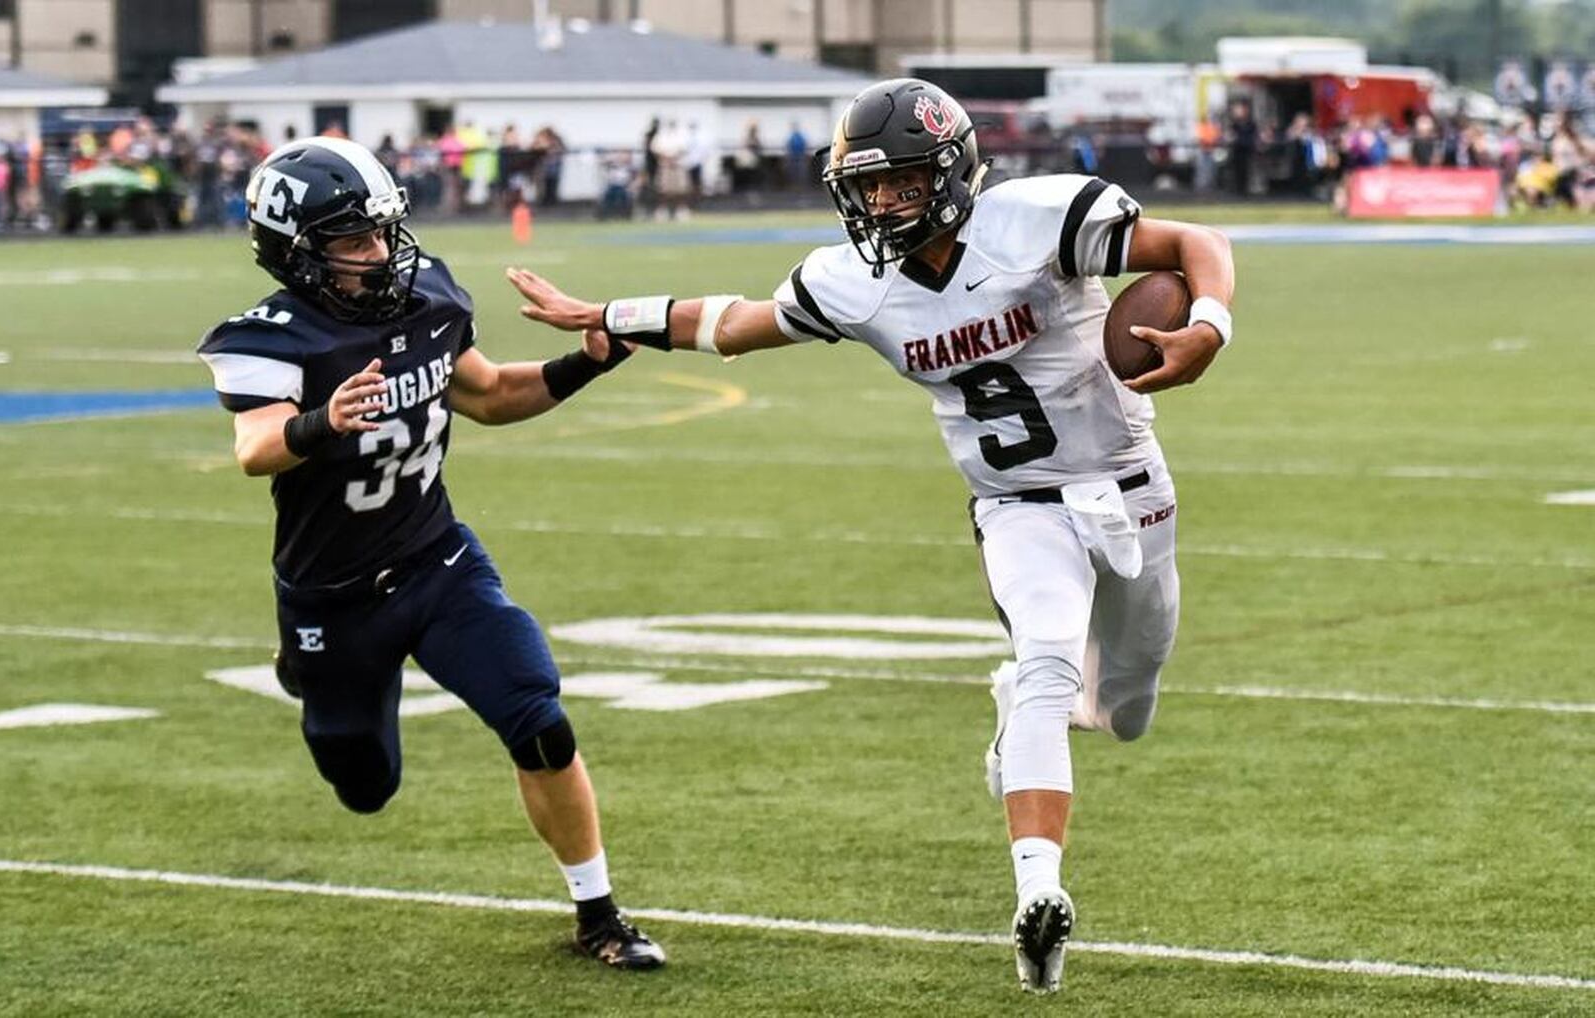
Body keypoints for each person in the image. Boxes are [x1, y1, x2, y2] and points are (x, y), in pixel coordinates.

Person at [506, 79, 1235, 995]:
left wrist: (1208, 323)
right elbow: (732, 325)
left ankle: (1023, 710)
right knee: (1050, 658)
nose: (880, 203)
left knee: (1126, 707)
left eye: (898, 183)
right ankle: (1038, 892)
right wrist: (612, 316)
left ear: (951, 171)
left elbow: (1193, 245)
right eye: (867, 185)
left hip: (1129, 486)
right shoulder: (852, 280)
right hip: (1016, 505)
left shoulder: (1036, 219)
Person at [195, 136, 665, 971]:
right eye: (351, 239)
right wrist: (322, 422)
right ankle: (305, 668)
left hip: (435, 559)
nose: (378, 252)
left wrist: (584, 364)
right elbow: (255, 447)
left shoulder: (427, 297)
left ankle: (598, 913)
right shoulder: (271, 339)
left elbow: (486, 396)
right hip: (331, 596)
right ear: (294, 250)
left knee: (538, 715)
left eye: (381, 231)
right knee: (364, 786)